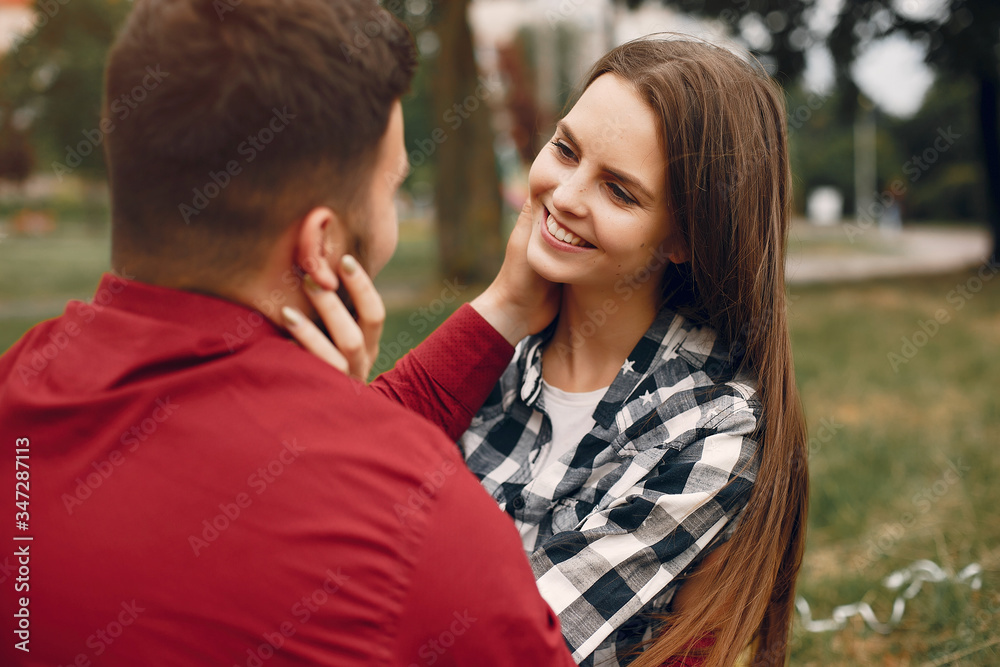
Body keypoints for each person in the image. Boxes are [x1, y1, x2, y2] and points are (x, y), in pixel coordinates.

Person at [0, 1, 576, 665]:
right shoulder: (416, 530)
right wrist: (346, 433)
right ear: (320, 247)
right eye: (392, 188)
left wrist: (495, 311)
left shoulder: (22, 388)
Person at [288, 37, 810, 667]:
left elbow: (500, 648)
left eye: (619, 191)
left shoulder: (708, 429)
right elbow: (308, 515)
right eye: (565, 150)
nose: (563, 196)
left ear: (685, 237)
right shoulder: (498, 350)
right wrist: (502, 308)